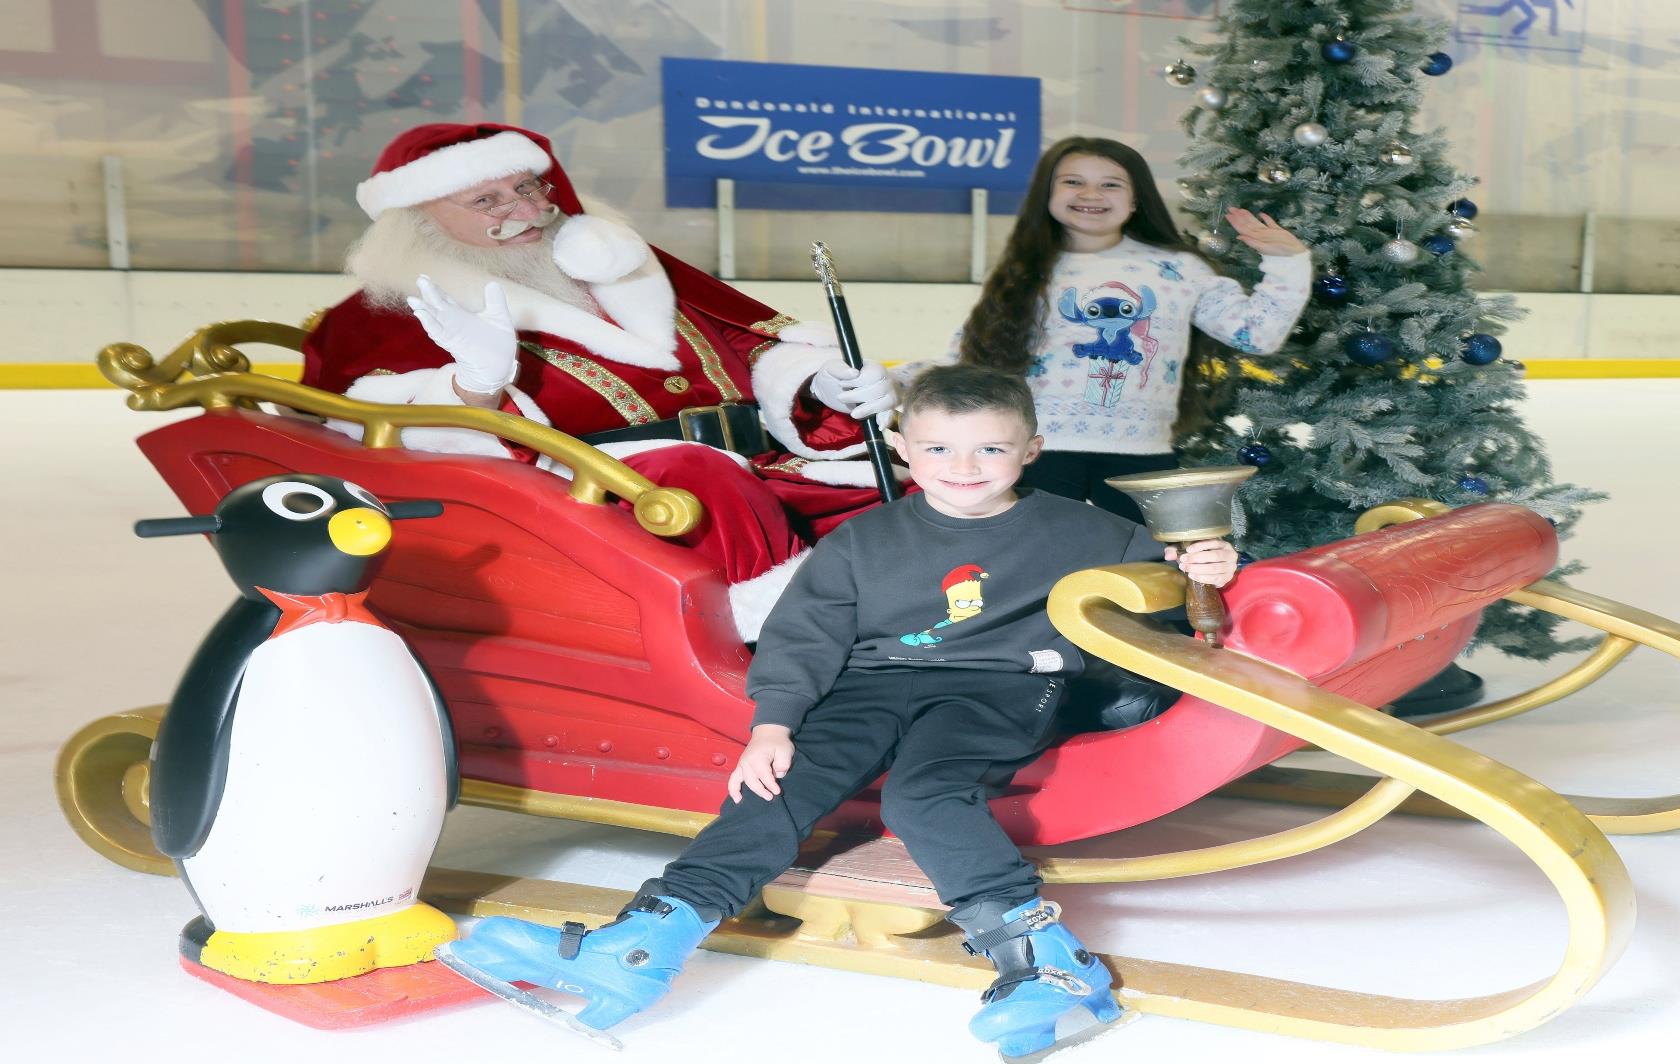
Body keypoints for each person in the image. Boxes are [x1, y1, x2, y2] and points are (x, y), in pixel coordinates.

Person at [440, 365, 1240, 1060]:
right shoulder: (866, 540)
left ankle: (1045, 957)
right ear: (902, 450)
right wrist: (774, 724)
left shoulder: (1088, 528)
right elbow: (805, 636)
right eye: (937, 449)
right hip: (870, 683)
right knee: (776, 785)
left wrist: (1205, 564)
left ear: (1030, 449)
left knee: (922, 795)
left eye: (991, 449)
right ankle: (648, 938)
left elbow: (1168, 597)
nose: (963, 467)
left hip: (999, 684)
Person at [299, 122, 898, 639]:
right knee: (699, 479)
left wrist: (818, 384)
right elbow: (377, 434)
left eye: (527, 187)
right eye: (487, 201)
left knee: (930, 490)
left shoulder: (619, 262)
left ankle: (937, 643)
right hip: (606, 501)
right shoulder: (380, 316)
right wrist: (475, 384)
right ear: (418, 222)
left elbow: (744, 337)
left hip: (764, 464)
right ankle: (783, 649)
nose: (528, 210)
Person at [910, 135, 1312, 523]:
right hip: (1037, 454)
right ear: (1047, 195)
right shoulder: (1022, 273)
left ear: (1136, 199)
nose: (1090, 194)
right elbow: (965, 362)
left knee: (1143, 577)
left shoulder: (1179, 270)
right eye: (1073, 182)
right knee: (1037, 577)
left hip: (1141, 455)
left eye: (1110, 184)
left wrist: (1287, 262)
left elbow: (1256, 334)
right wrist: (889, 382)